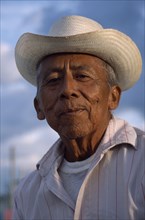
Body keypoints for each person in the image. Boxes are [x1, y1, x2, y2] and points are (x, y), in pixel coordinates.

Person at [13, 15, 144, 220]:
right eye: (53, 80)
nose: (68, 90)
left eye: (82, 76)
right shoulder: (26, 194)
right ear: (39, 106)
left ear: (113, 96)